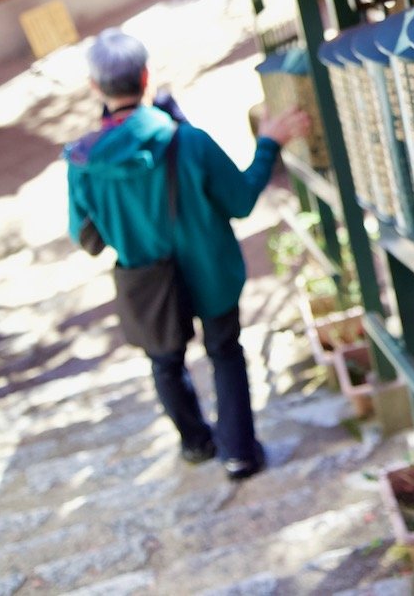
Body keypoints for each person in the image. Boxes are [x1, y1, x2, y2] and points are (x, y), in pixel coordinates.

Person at [65, 28, 309, 480]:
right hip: (212, 273)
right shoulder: (189, 140)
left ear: (95, 89)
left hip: (147, 285)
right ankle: (240, 453)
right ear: (146, 77)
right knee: (225, 353)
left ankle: (197, 444)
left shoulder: (82, 161)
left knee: (165, 362)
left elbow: (88, 239)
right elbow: (240, 200)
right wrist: (268, 143)